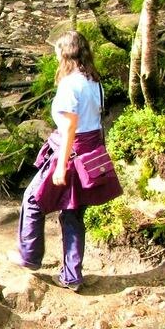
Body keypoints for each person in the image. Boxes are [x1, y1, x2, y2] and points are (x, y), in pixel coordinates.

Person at [15, 30, 107, 291]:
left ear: (65, 52)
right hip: (90, 153)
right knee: (73, 212)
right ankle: (72, 276)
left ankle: (29, 257)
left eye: (57, 50)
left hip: (72, 152)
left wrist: (61, 166)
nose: (55, 55)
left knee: (33, 200)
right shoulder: (94, 81)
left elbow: (70, 128)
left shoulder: (70, 84)